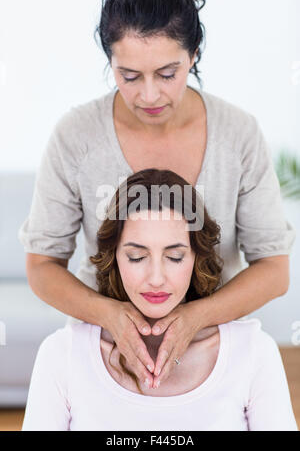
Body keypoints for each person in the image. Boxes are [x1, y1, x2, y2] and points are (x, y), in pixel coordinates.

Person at [18, 0, 295, 390]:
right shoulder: (75, 137)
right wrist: (110, 315)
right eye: (128, 75)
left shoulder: (238, 135)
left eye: (168, 73)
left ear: (194, 55)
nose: (149, 95)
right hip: (104, 351)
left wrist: (196, 318)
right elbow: (42, 265)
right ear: (109, 61)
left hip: (213, 350)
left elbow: (274, 269)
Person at [21, 169, 298, 431]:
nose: (156, 278)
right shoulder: (61, 355)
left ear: (195, 258)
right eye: (137, 256)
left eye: (175, 257)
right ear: (114, 257)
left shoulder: (253, 352)